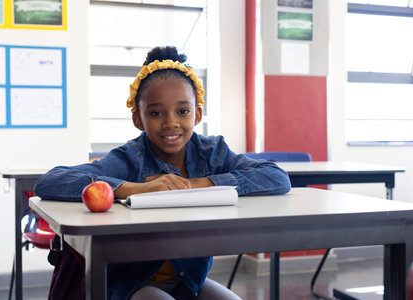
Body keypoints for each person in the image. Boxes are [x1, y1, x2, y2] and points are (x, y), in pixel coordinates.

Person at [34, 46, 291, 300]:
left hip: (189, 282)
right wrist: (137, 189)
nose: (171, 123)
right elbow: (50, 182)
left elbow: (276, 177)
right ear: (138, 119)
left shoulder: (211, 152)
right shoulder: (131, 158)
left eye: (183, 111)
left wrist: (201, 183)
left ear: (197, 114)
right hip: (132, 285)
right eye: (156, 113)